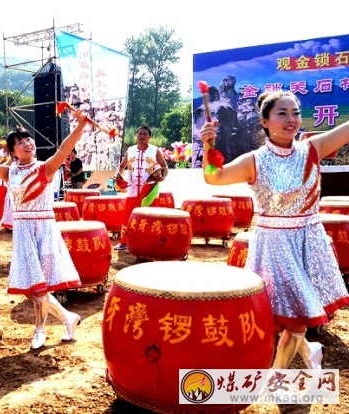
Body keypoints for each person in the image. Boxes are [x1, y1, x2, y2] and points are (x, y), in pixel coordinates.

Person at [199, 90, 349, 374]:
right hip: (273, 245)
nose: (291, 119)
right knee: (286, 316)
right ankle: (307, 351)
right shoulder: (255, 160)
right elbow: (213, 177)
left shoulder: (312, 148)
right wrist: (209, 146)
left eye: (295, 112)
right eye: (282, 113)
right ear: (265, 121)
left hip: (309, 241)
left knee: (297, 317)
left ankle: (279, 377)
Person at [0, 110, 88, 350]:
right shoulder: (9, 172)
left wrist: (79, 126)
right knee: (33, 288)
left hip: (43, 229)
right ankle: (67, 317)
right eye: (20, 142)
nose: (27, 143)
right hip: (23, 232)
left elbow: (64, 149)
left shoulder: (45, 168)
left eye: (28, 139)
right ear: (12, 152)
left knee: (39, 286)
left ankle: (40, 329)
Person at [113, 125, 168, 251]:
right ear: (136, 136)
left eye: (145, 134)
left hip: (149, 189)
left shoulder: (155, 150)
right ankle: (124, 241)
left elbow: (164, 166)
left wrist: (163, 176)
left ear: (149, 137)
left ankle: (152, 240)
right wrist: (120, 176)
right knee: (128, 215)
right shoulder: (130, 150)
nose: (142, 136)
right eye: (140, 134)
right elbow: (122, 166)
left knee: (151, 216)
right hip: (132, 188)